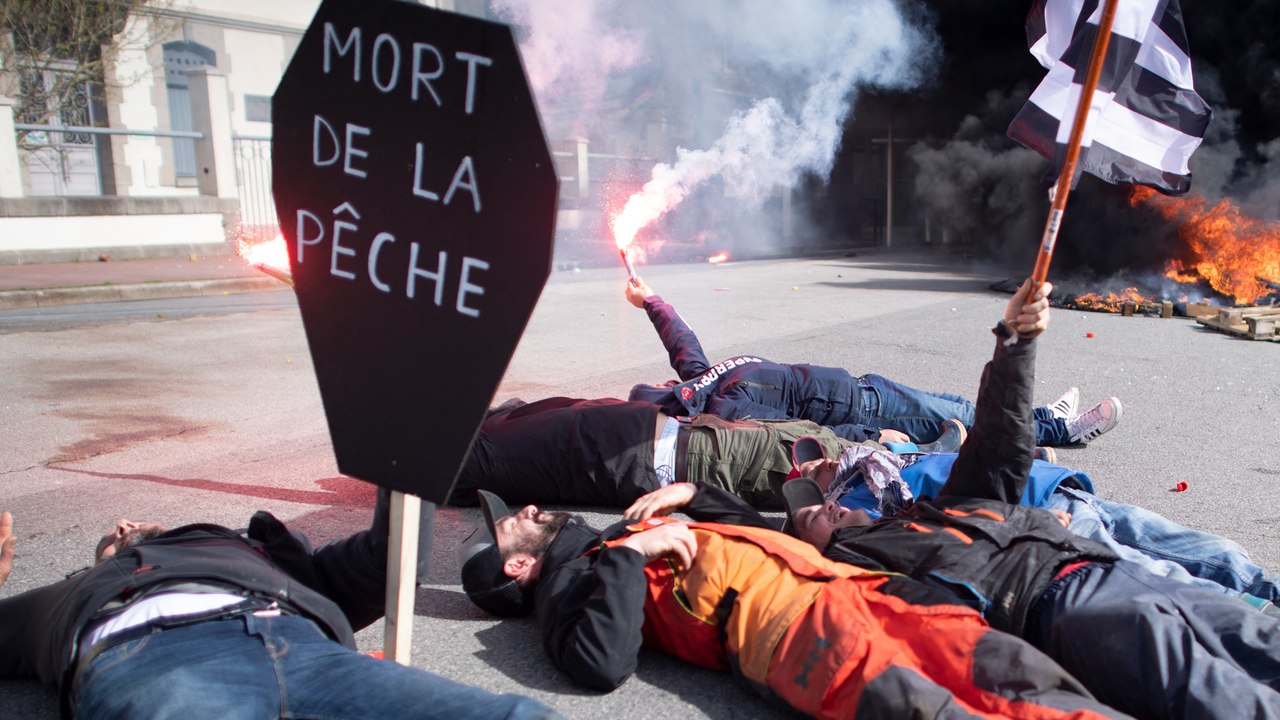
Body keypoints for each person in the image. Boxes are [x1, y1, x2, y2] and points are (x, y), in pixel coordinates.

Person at [740, 279, 1280, 717]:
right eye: (810, 515)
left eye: (815, 489)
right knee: (1235, 701)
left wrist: (1014, 342)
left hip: (1099, 564)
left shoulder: (919, 510)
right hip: (1074, 609)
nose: (823, 500)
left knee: (1260, 635)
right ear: (814, 554)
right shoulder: (875, 577)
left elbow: (993, 447)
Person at [459, 484, 1126, 718]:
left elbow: (755, 530)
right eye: (511, 522)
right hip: (806, 641)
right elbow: (601, 665)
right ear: (518, 566)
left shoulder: (616, 538)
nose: (529, 507)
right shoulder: (573, 583)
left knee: (1022, 677)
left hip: (864, 593)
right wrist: (635, 552)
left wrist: (690, 497)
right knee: (952, 713)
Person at [0, 500, 559, 720]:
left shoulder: (265, 555)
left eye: (126, 525)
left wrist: (403, 462)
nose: (122, 525)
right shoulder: (64, 599)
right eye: (111, 536)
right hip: (157, 660)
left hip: (306, 650)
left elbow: (393, 560)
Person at [624, 276, 1121, 447]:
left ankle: (1040, 424)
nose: (671, 381)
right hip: (866, 414)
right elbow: (790, 430)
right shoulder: (723, 408)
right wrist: (868, 438)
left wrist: (650, 300)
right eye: (664, 388)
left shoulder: (704, 380)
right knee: (972, 419)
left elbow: (682, 341)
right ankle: (1057, 429)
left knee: (963, 409)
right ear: (672, 401)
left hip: (867, 390)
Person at [787, 437, 1280, 604]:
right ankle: (1260, 626)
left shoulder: (877, 457)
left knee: (1212, 553)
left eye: (814, 461)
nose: (815, 466)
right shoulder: (865, 515)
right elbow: (942, 532)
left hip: (1058, 487)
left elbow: (952, 441)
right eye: (808, 478)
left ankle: (1269, 593)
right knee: (1172, 583)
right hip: (1046, 521)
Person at [449, 394, 962, 510]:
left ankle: (403, 454)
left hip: (623, 459)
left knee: (483, 458)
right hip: (637, 426)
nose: (836, 466)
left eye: (843, 478)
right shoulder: (835, 446)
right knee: (521, 417)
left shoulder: (830, 501)